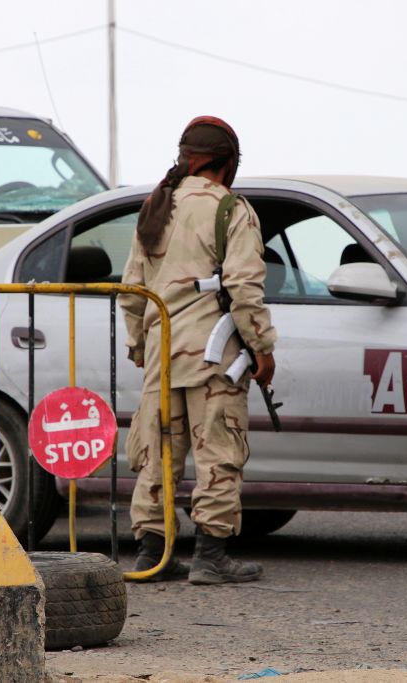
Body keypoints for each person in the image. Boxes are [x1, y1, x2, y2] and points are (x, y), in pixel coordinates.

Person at [120, 116, 276, 585]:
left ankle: (153, 553)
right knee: (219, 450)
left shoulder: (156, 206)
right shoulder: (230, 209)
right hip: (214, 360)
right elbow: (245, 287)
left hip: (162, 354)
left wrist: (139, 346)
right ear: (226, 164)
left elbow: (132, 290)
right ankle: (211, 555)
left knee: (158, 453)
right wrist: (262, 348)